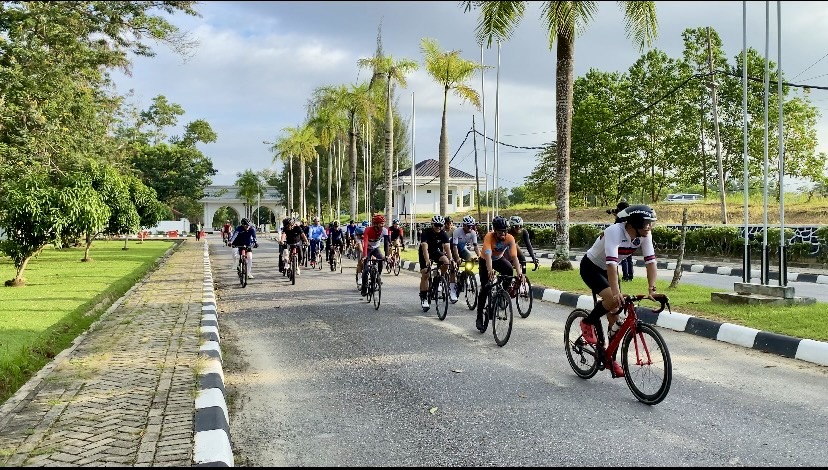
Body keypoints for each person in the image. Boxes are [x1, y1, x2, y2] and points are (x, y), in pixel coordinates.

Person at [579, 204, 658, 378]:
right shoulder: (614, 231)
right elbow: (611, 264)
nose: (649, 226)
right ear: (635, 222)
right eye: (647, 223)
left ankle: (610, 358)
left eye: (651, 223)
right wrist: (616, 293)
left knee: (615, 320)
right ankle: (587, 322)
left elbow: (651, 262)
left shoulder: (644, 234)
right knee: (613, 300)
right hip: (592, 267)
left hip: (610, 271)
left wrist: (652, 289)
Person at [476, 216, 523, 331]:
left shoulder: (510, 238)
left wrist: (520, 273)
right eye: (500, 231)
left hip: (498, 259)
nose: (503, 234)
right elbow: (488, 255)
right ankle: (479, 316)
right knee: (485, 287)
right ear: (495, 230)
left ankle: (501, 294)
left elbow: (514, 257)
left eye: (504, 231)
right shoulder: (489, 237)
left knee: (509, 271)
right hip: (485, 260)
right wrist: (489, 270)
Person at [418, 215, 452, 310]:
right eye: (436, 225)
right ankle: (424, 297)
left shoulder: (443, 234)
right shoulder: (426, 233)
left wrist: (451, 260)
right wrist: (427, 260)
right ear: (432, 224)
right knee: (426, 273)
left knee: (446, 262)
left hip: (435, 252)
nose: (438, 227)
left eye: (440, 225)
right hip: (425, 253)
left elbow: (447, 248)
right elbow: (424, 248)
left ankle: (439, 280)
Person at [450, 215, 481, 296]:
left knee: (470, 259)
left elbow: (475, 246)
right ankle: (453, 285)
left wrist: (480, 257)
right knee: (454, 266)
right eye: (468, 226)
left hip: (462, 248)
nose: (470, 228)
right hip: (452, 248)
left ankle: (464, 276)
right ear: (464, 225)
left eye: (472, 226)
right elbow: (454, 247)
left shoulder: (473, 233)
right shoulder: (457, 231)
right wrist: (457, 258)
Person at [360, 214, 389, 297]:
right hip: (368, 249)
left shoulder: (384, 230)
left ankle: (377, 276)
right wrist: (365, 256)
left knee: (381, 260)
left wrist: (386, 255)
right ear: (375, 224)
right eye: (381, 223)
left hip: (376, 248)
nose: (382, 225)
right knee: (366, 269)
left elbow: (386, 243)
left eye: (383, 223)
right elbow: (365, 243)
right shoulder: (368, 230)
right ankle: (364, 287)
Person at [608, 201, 635, 282]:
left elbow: (616, 226)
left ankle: (625, 276)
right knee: (629, 258)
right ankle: (630, 276)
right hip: (631, 239)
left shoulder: (621, 217)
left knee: (623, 258)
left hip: (622, 239)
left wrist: (616, 216)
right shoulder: (631, 215)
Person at [354, 220, 369, 289]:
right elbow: (360, 248)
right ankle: (360, 277)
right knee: (360, 262)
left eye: (363, 234)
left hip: (368, 249)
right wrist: (363, 255)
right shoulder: (358, 238)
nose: (362, 236)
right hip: (361, 250)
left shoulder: (368, 235)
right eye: (360, 235)